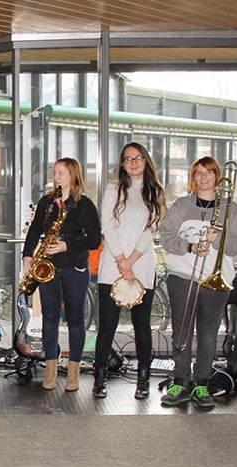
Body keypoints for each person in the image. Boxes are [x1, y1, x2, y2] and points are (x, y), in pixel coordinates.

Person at [160, 156, 237, 409]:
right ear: (193, 177)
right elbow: (166, 238)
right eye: (198, 172)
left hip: (214, 281)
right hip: (182, 279)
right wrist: (189, 246)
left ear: (217, 176)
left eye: (208, 172)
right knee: (181, 333)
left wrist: (217, 239)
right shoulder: (181, 206)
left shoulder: (232, 208)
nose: (203, 177)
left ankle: (201, 383)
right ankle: (180, 381)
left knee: (208, 335)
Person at [93, 142, 167, 399]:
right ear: (122, 164)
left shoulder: (155, 191)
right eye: (128, 159)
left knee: (142, 326)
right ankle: (99, 376)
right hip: (112, 266)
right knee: (107, 326)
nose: (133, 162)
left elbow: (151, 230)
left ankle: (143, 379)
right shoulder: (113, 189)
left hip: (142, 267)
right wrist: (121, 260)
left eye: (138, 158)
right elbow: (108, 226)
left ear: (146, 160)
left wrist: (131, 261)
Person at [23, 157, 101, 392]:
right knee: (49, 318)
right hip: (48, 267)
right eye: (55, 172)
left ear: (73, 175)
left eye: (61, 173)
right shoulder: (47, 202)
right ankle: (50, 370)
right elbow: (35, 230)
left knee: (76, 319)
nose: (56, 177)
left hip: (75, 267)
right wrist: (27, 255)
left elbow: (95, 239)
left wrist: (68, 244)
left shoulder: (85, 204)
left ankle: (74, 372)